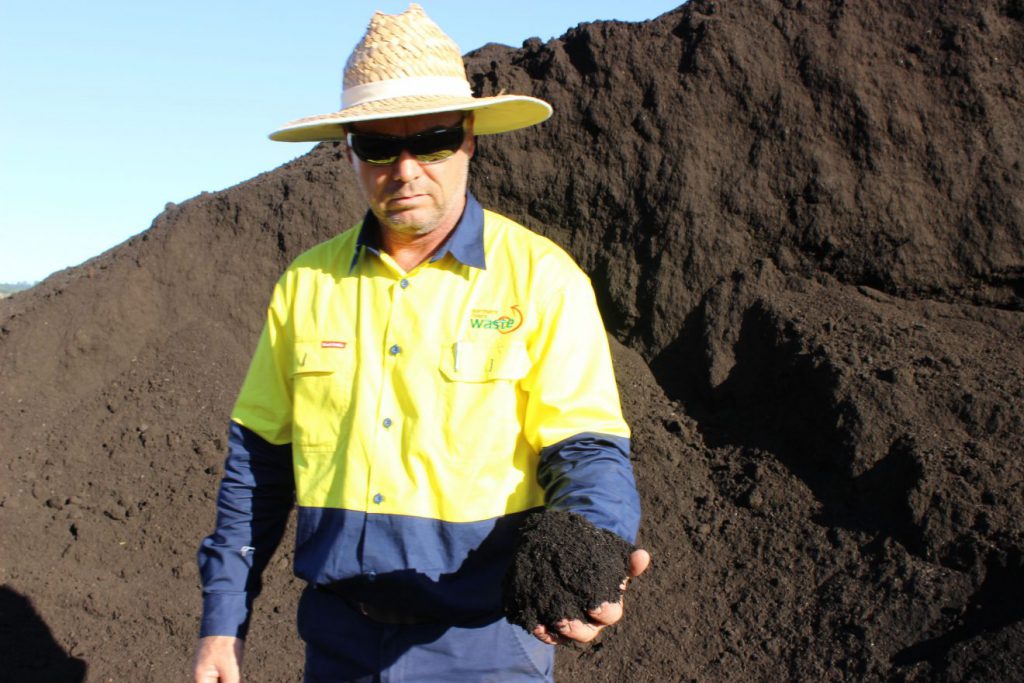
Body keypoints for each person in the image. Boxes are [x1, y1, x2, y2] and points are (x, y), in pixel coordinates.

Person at [193, 4, 648, 682]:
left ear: (469, 139)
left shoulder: (542, 280)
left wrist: (592, 541)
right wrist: (222, 625)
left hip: (488, 650)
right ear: (348, 150)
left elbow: (586, 449)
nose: (404, 169)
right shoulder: (305, 285)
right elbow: (258, 464)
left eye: (431, 139)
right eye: (378, 144)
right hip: (338, 645)